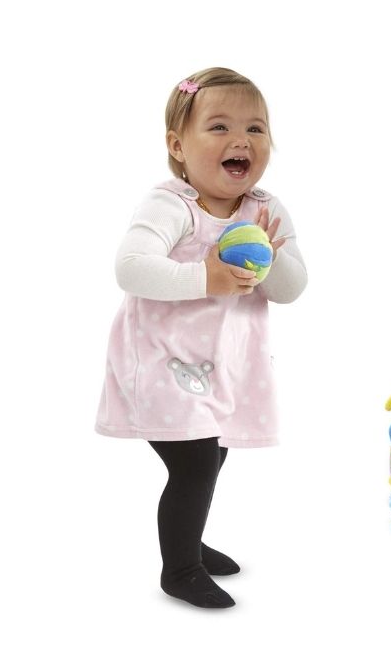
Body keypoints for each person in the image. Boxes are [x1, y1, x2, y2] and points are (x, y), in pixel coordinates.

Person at [95, 67, 308, 608]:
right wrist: (205, 277)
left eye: (256, 129)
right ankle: (180, 568)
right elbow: (130, 267)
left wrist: (273, 254)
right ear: (178, 146)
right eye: (219, 127)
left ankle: (188, 538)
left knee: (210, 459)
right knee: (194, 464)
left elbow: (291, 289)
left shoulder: (265, 209)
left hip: (224, 363)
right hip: (162, 361)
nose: (241, 140)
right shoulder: (172, 206)